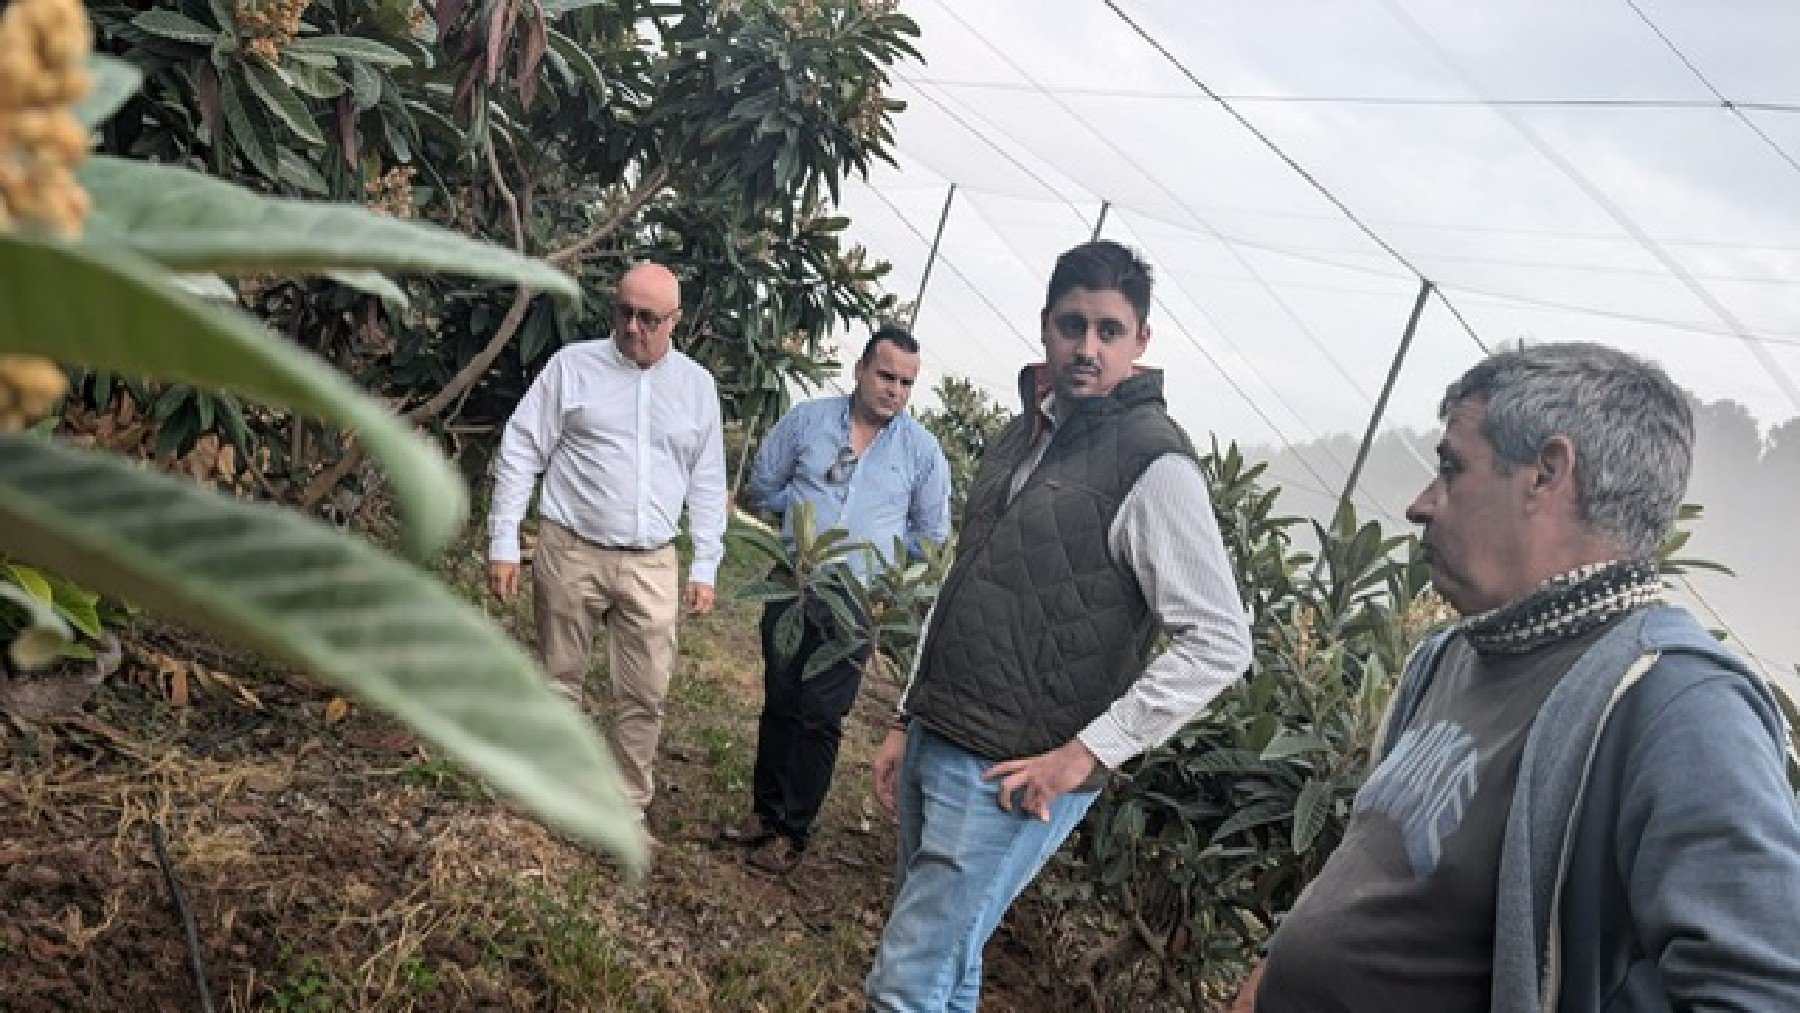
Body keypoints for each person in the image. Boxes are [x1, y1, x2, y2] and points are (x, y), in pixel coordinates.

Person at [1240, 342, 1800, 1013]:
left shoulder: (1676, 699)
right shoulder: (1450, 655)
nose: (1421, 503)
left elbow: (1759, 988)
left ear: (1546, 473)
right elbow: (1377, 861)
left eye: (1451, 468)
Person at [864, 241, 1254, 1011]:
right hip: (943, 730)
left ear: (1141, 341)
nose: (1087, 347)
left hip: (1016, 771)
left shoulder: (1154, 463)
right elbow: (966, 580)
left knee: (907, 977)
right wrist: (908, 716)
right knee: (949, 962)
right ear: (1045, 325)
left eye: (1110, 330)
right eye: (1072, 324)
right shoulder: (1025, 433)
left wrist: (1084, 756)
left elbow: (1219, 639)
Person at [487, 261, 727, 825]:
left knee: (645, 691)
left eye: (648, 318)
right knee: (558, 675)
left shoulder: (696, 388)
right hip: (571, 549)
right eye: (624, 312)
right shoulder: (572, 367)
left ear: (675, 321)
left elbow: (709, 480)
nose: (633, 327)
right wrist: (503, 538)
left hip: (652, 562)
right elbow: (522, 447)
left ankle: (625, 805)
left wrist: (707, 563)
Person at [719, 324, 952, 876]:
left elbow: (930, 535)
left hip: (856, 604)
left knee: (820, 714)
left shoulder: (921, 453)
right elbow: (766, 482)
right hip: (793, 584)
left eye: (905, 382)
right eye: (886, 375)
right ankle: (764, 812)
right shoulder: (808, 421)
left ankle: (792, 831)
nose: (894, 390)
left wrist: (880, 572)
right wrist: (800, 530)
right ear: (861, 371)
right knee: (779, 699)